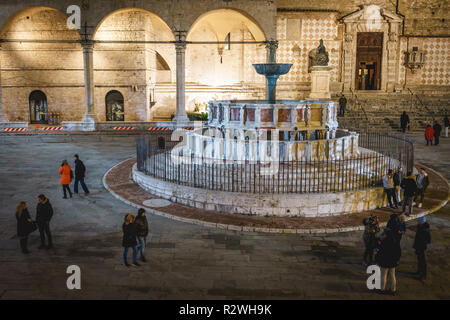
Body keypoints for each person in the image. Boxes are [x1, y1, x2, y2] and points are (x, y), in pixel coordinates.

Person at [375, 228, 401, 295]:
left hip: (384, 261)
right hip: (393, 262)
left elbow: (380, 252)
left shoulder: (384, 242)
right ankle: (393, 290)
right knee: (392, 276)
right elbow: (398, 252)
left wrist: (377, 259)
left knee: (383, 276)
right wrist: (397, 260)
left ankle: (382, 289)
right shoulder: (396, 241)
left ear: (386, 235)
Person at [413, 216, 431, 281]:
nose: (418, 223)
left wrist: (421, 240)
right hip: (418, 246)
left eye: (419, 222)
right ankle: (419, 271)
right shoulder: (421, 227)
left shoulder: (425, 230)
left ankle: (423, 275)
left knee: (422, 261)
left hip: (422, 247)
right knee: (419, 259)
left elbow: (428, 240)